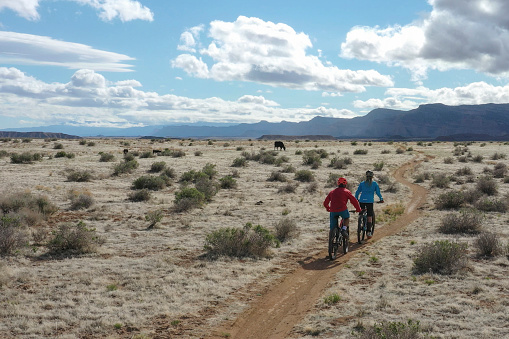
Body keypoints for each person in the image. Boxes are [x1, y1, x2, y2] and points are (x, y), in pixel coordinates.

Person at [355, 170, 384, 239]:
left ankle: (360, 223)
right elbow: (378, 192)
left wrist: (356, 198)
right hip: (370, 201)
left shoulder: (362, 183)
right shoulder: (374, 184)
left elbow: (357, 191)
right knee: (369, 216)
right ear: (372, 177)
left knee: (361, 213)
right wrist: (381, 199)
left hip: (362, 200)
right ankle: (368, 231)